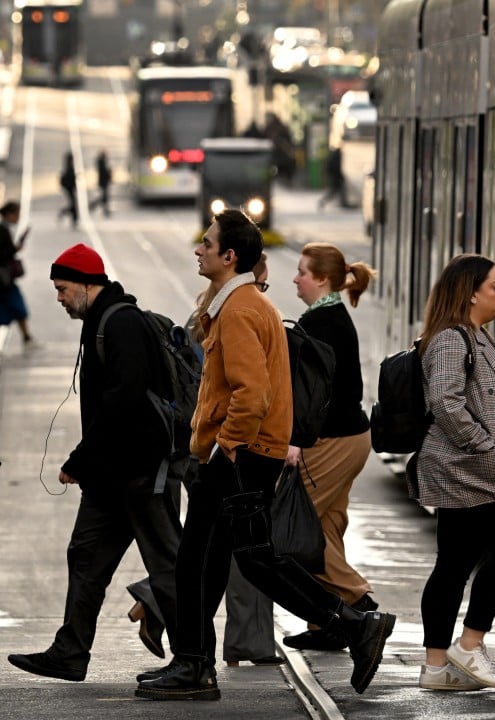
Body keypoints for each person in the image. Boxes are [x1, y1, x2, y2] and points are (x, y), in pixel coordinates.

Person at [135, 211, 395, 701]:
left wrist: (227, 448)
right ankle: (196, 662)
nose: (198, 249)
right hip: (252, 452)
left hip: (242, 453)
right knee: (230, 559)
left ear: (229, 256)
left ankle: (351, 626)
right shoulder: (244, 304)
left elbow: (251, 394)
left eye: (207, 243)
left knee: (217, 559)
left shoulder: (239, 311)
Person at [7, 243, 183, 683]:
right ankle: (70, 653)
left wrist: (80, 459)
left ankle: (192, 661)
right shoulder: (100, 321)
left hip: (141, 471)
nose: (59, 298)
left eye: (63, 289)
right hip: (111, 475)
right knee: (85, 556)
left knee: (166, 564)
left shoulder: (121, 323)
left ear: (87, 284)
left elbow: (123, 401)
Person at [126, 254, 281, 668]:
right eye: (261, 284)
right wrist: (227, 444)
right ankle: (229, 644)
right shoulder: (232, 317)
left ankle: (191, 652)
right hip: (220, 450)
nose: (262, 293)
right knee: (235, 555)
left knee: (209, 554)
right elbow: (245, 393)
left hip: (204, 447)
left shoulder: (212, 315)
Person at [414, 254, 495, 691]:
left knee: (454, 563)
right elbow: (444, 400)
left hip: (467, 468)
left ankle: (436, 668)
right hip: (471, 468)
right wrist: (483, 445)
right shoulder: (454, 339)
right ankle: (469, 644)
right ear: (470, 293)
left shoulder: (471, 335)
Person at [281, 243, 379, 653]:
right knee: (325, 527)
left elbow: (316, 395)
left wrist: (295, 439)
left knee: (290, 530)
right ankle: (328, 626)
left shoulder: (320, 323)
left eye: (302, 272)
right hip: (351, 437)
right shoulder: (330, 317)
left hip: (333, 440)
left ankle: (360, 604)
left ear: (321, 279)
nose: (295, 278)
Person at [0, 201, 33, 347]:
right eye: (16, 214)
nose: (18, 218)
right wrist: (16, 248)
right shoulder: (1, 230)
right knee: (16, 305)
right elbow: (2, 254)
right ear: (9, 214)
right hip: (2, 278)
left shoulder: (2, 229)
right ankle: (26, 337)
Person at [59, 153, 78, 228]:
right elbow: (70, 177)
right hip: (70, 188)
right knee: (73, 204)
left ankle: (73, 218)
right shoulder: (69, 167)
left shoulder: (68, 166)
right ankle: (65, 213)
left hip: (70, 188)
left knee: (73, 204)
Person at [90, 152, 112, 217]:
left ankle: (105, 210)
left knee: (105, 197)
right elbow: (104, 173)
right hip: (103, 182)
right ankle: (93, 205)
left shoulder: (101, 163)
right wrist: (109, 173)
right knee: (104, 197)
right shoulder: (101, 163)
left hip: (104, 182)